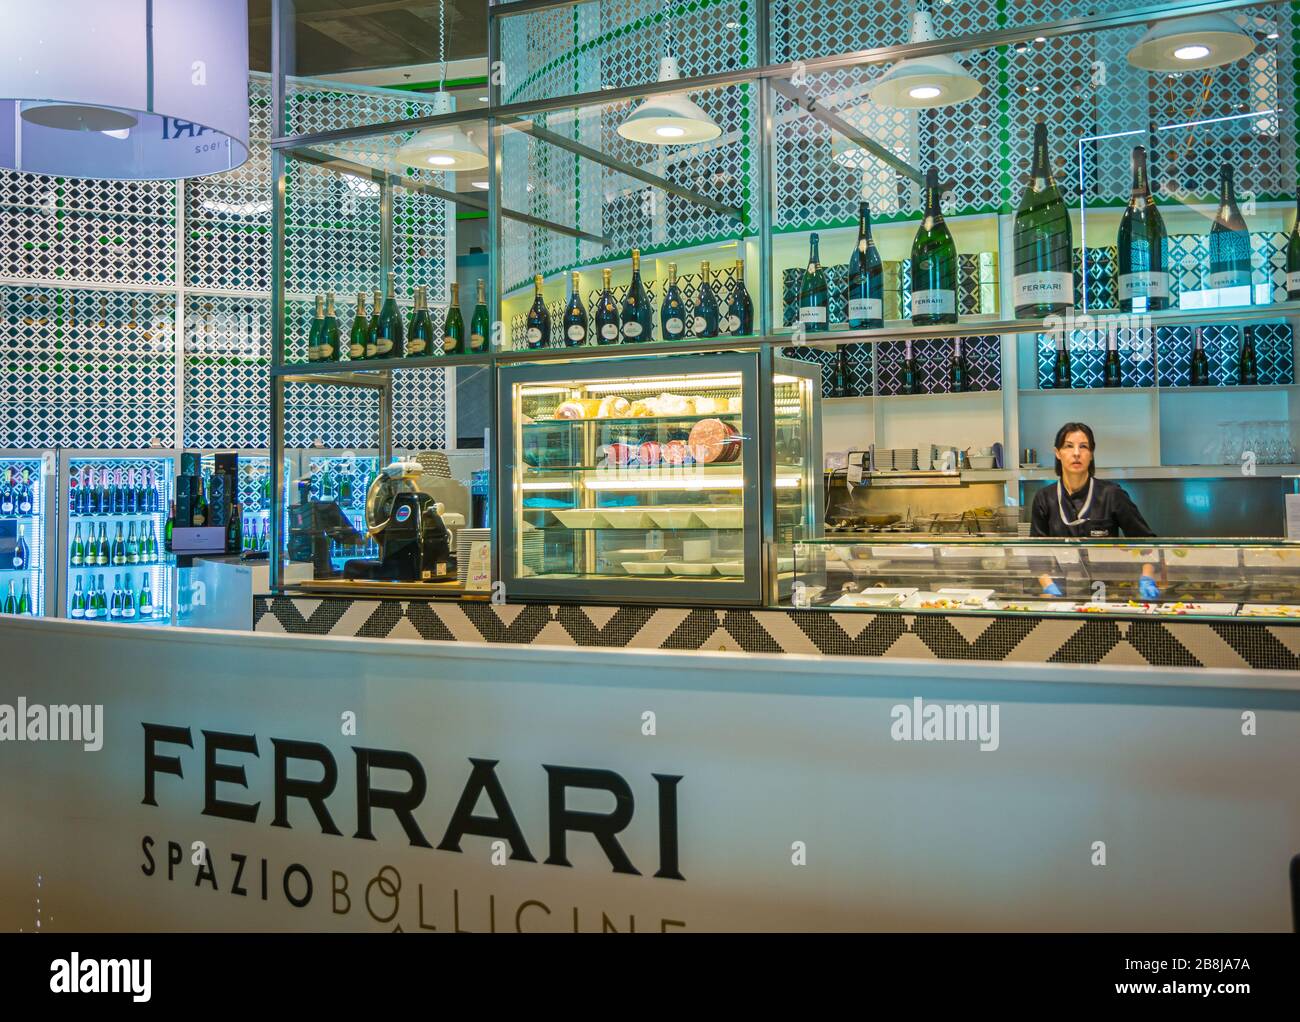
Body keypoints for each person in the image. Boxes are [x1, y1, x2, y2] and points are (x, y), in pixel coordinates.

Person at [1030, 421, 1160, 599]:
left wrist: (1147, 578)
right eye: (1069, 446)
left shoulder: (1112, 494)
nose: (1076, 453)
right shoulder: (1044, 498)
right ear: (1057, 453)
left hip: (1109, 593)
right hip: (1061, 595)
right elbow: (1036, 554)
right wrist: (1049, 588)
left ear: (1091, 454)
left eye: (1083, 447)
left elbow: (1148, 543)